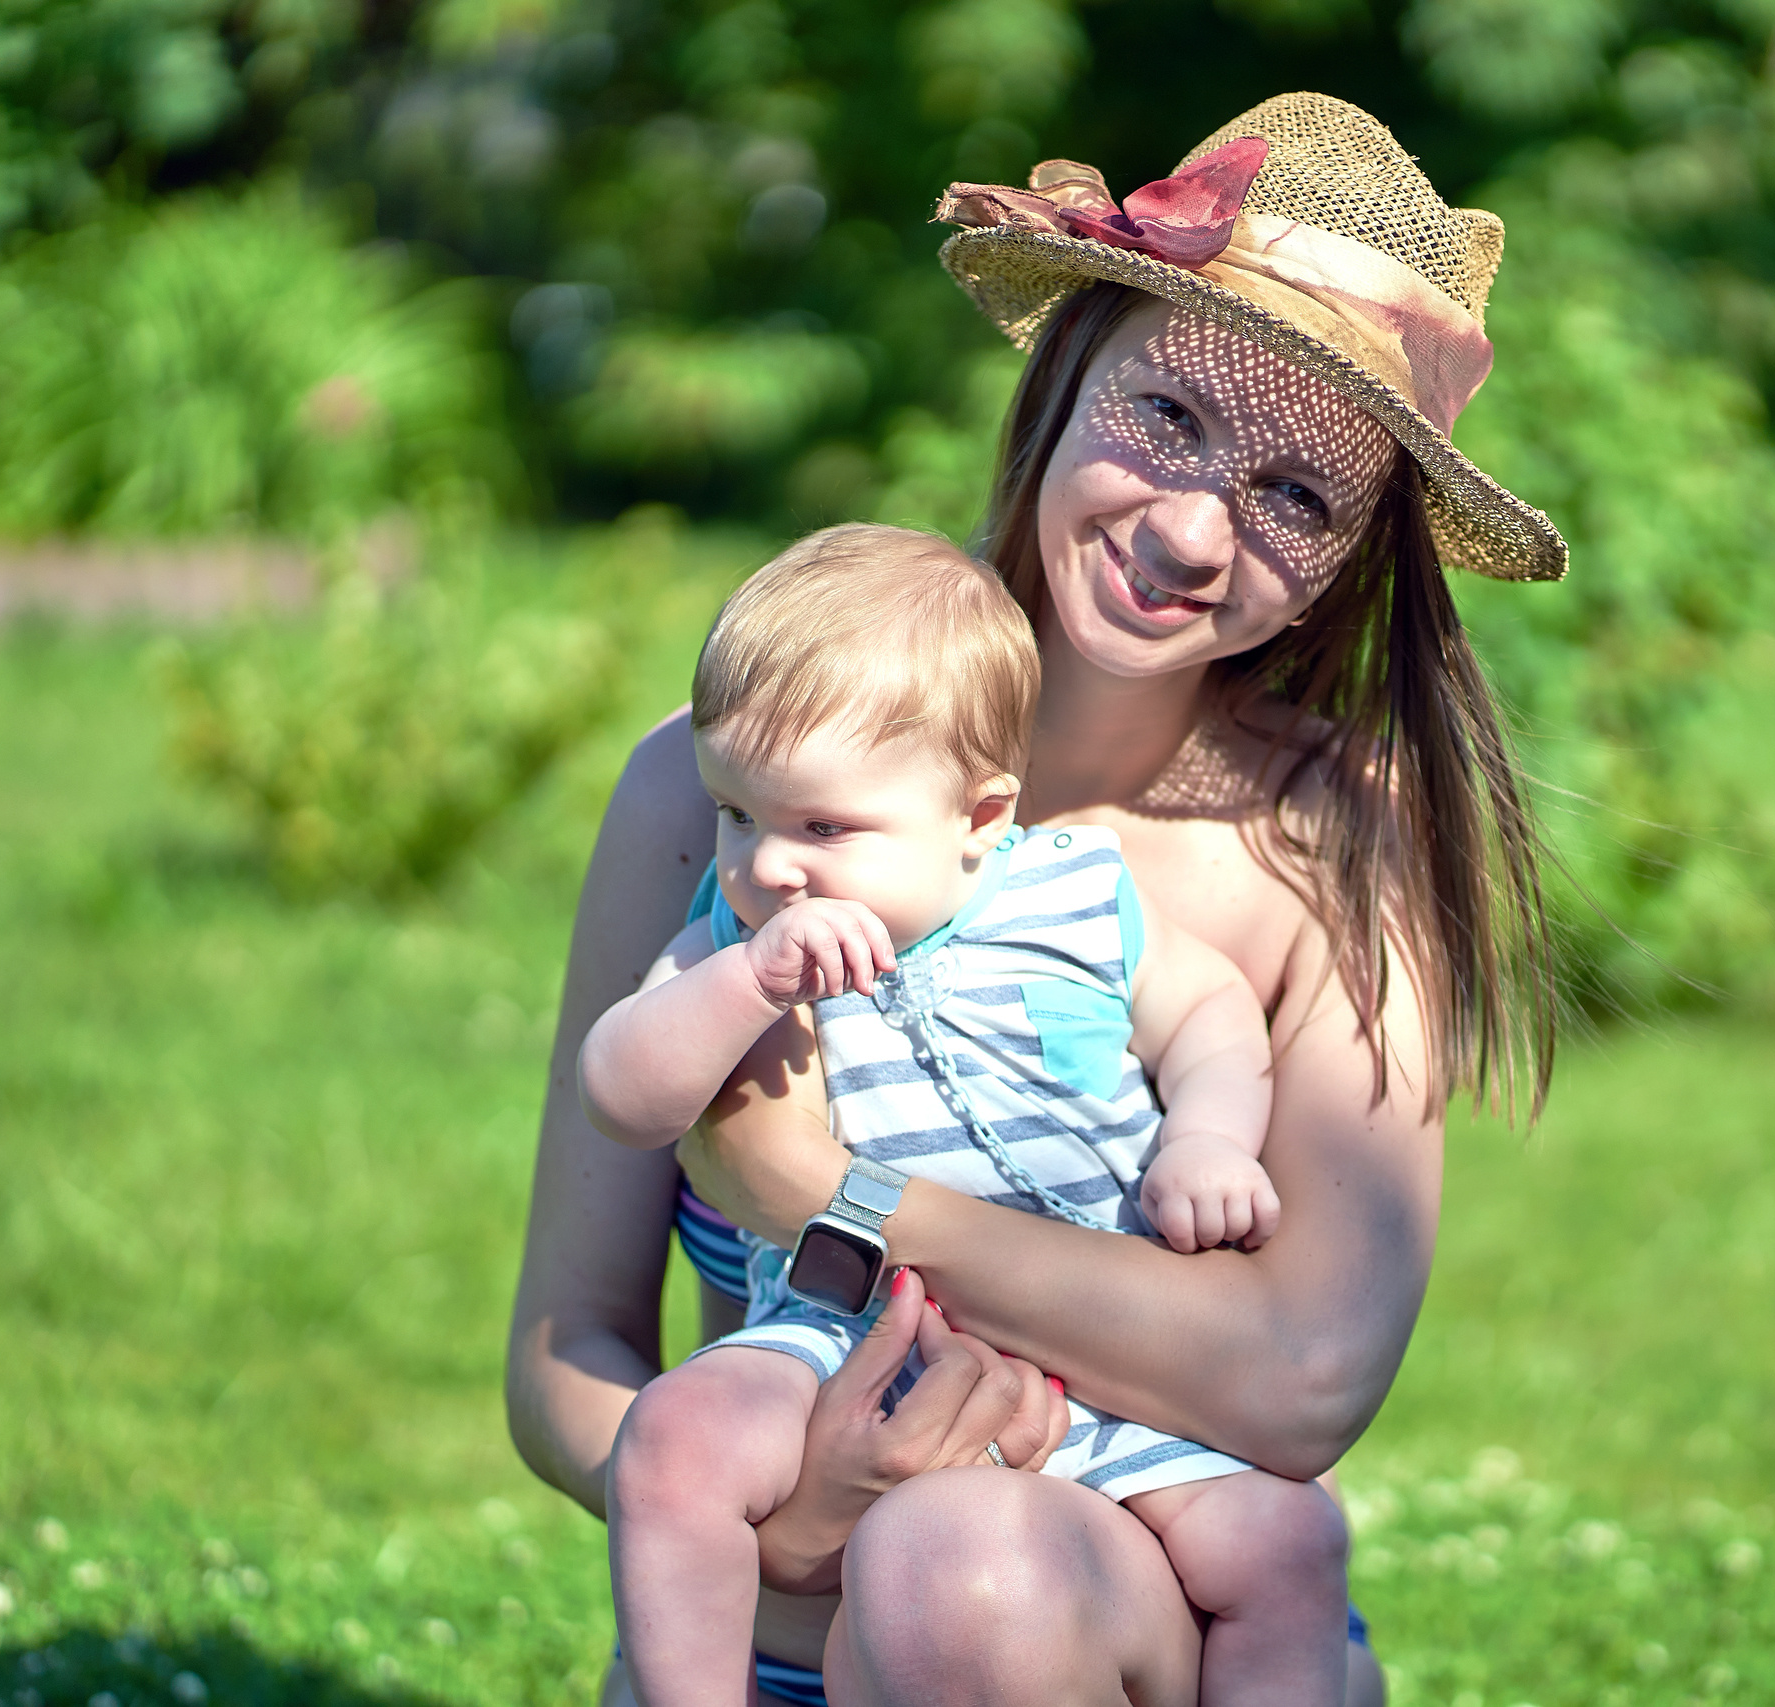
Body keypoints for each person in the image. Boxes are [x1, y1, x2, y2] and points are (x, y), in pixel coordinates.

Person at [506, 90, 1569, 1707]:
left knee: (967, 1566)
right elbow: (565, 1356)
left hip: (1109, 1635)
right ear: (1066, 375)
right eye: (1168, 416)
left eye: (1299, 497)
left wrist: (830, 1187)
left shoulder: (1331, 845)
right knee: (922, 1553)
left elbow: (1306, 1381)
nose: (1198, 529)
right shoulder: (728, 795)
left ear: (1358, 556)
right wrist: (799, 1516)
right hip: (775, 1648)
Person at [582, 523, 1351, 1707]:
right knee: (676, 1439)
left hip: (1095, 1350)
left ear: (980, 820)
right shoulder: (735, 940)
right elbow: (622, 1089)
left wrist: (1206, 1136)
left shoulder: (1075, 895)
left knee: (1284, 1543)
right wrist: (740, 982)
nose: (768, 864)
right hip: (838, 1337)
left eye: (823, 828)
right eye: (738, 814)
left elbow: (1208, 1015)